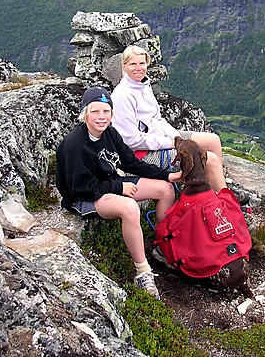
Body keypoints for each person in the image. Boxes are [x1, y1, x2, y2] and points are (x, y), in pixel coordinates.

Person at [56, 86, 182, 299]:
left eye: (106, 111)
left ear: (112, 114)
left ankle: (163, 248)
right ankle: (143, 272)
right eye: (95, 111)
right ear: (85, 113)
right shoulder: (74, 145)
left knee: (166, 190)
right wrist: (118, 188)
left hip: (109, 184)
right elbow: (80, 188)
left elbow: (130, 162)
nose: (101, 117)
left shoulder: (109, 133)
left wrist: (166, 176)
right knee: (130, 207)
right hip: (83, 198)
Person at [110, 45, 228, 193]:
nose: (138, 68)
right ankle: (224, 198)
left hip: (159, 137)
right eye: (133, 64)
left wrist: (177, 139)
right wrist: (170, 143)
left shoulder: (143, 85)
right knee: (210, 159)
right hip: (143, 153)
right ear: (124, 66)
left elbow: (157, 119)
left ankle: (219, 187)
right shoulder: (122, 96)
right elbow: (131, 140)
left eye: (142, 63)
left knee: (213, 140)